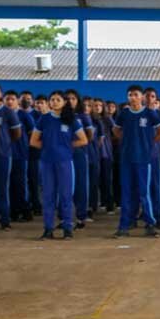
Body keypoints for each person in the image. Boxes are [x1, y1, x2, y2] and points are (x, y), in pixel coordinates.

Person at [30, 91, 87, 240]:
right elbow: (33, 141)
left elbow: (83, 140)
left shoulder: (71, 119)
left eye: (58, 100)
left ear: (64, 102)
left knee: (66, 195)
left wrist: (66, 146)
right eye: (52, 99)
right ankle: (48, 229)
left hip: (65, 162)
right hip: (47, 162)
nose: (54, 102)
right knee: (48, 196)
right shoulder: (44, 119)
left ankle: (67, 227)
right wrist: (48, 146)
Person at [112, 85, 160, 238]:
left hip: (144, 159)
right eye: (130, 95)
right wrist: (126, 141)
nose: (132, 97)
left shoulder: (150, 114)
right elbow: (116, 130)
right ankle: (124, 225)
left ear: (142, 97)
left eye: (135, 94)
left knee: (144, 192)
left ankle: (150, 223)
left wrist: (149, 143)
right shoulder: (124, 114)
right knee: (127, 192)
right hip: (126, 159)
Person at [0, 83, 22, 231]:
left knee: (2, 190)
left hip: (2, 155)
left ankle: (5, 220)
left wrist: (4, 143)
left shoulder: (7, 112)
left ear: (0, 94)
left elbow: (16, 134)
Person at [4, 91, 34, 223]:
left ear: (17, 101)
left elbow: (32, 132)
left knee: (21, 184)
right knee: (9, 185)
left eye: (12, 99)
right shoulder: (2, 114)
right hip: (5, 154)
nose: (10, 102)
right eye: (7, 99)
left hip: (21, 155)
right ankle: (13, 212)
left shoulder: (24, 115)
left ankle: (25, 211)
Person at [65, 90, 91, 230]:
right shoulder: (60, 116)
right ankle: (66, 217)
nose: (70, 101)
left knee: (80, 185)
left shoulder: (83, 117)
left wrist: (78, 145)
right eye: (67, 98)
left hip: (79, 154)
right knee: (65, 186)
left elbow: (90, 135)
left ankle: (81, 216)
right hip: (63, 155)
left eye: (73, 98)